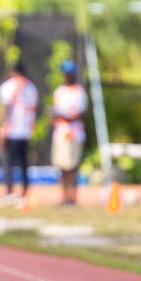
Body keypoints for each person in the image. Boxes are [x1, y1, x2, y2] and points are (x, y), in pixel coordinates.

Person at [49, 60, 88, 205]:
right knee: (62, 168)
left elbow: (79, 115)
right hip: (60, 134)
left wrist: (62, 116)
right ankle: (65, 197)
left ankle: (73, 198)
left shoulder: (79, 92)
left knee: (72, 167)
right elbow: (55, 113)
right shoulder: (59, 91)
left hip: (74, 135)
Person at [0, 62, 38, 200]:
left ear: (12, 72)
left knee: (8, 161)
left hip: (11, 130)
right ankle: (25, 191)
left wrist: (1, 129)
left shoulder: (8, 86)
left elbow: (4, 109)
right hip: (26, 130)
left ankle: (9, 192)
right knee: (23, 162)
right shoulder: (31, 87)